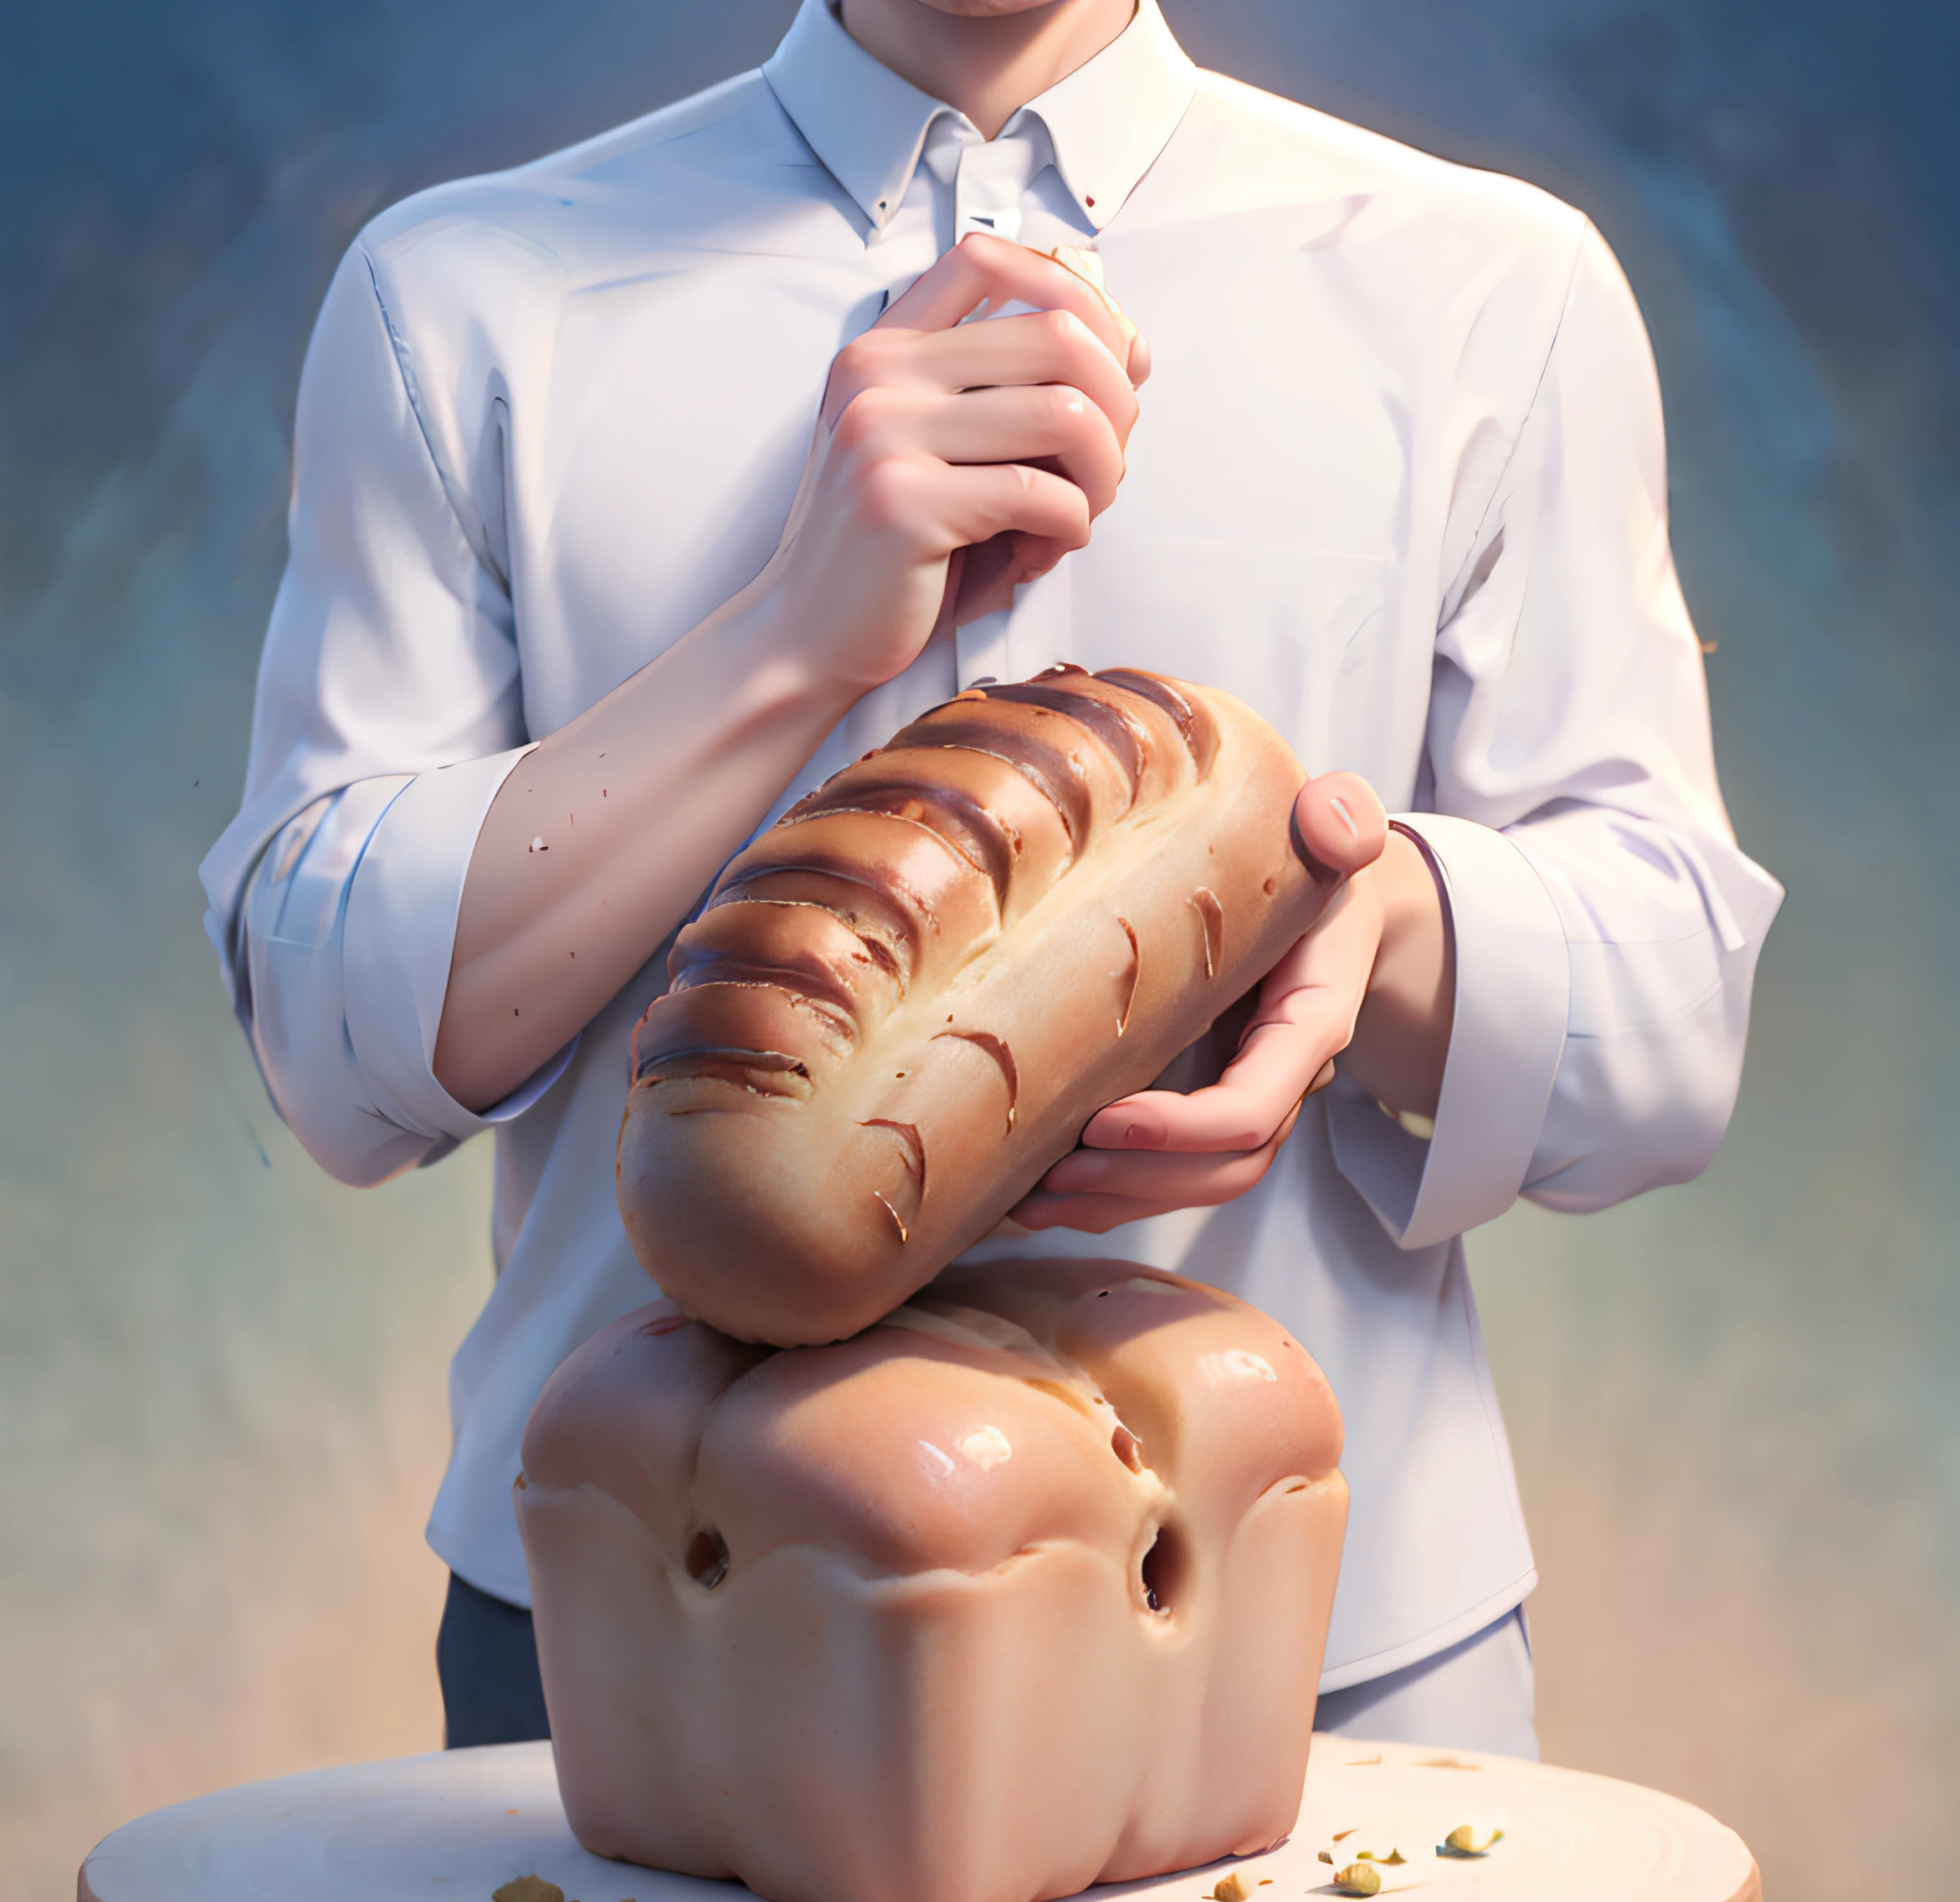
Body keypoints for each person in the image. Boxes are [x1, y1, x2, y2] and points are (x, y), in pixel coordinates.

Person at [200, 0, 1781, 1756]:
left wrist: (1369, 918)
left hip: (1322, 1654)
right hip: (643, 1648)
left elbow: (1668, 1030)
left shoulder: (1491, 284)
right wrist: (789, 632)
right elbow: (330, 1057)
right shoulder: (462, 297)